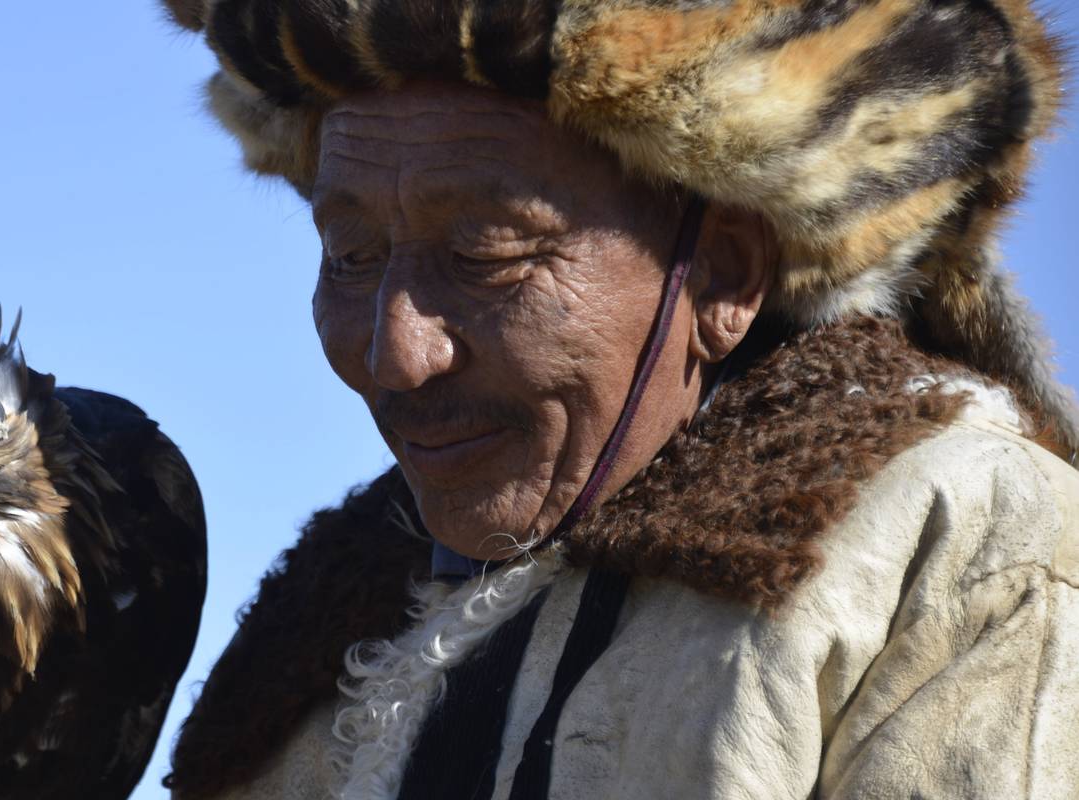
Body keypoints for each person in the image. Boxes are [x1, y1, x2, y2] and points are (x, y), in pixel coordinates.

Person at [158, 1, 1079, 798]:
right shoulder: (318, 627)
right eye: (351, 256)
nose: (396, 354)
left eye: (485, 254)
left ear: (723, 275)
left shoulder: (952, 534)